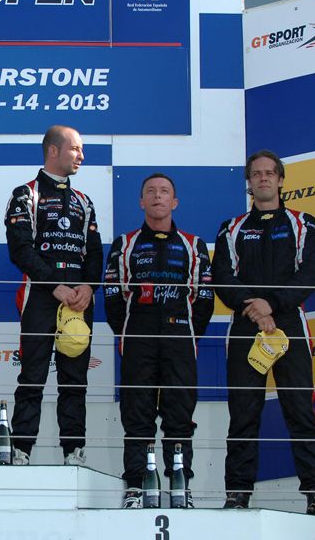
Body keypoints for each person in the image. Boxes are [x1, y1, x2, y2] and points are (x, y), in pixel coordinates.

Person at [212, 150, 315, 514]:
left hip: (289, 323)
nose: (263, 178)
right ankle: (238, 494)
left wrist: (271, 305)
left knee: (300, 410)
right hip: (246, 324)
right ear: (248, 182)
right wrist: (255, 308)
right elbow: (223, 278)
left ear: (280, 180)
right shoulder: (231, 227)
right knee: (244, 413)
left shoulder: (303, 223)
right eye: (256, 173)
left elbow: (309, 275)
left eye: (269, 173)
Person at [103, 173, 214, 508]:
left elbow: (205, 298)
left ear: (174, 202)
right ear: (141, 201)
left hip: (180, 336)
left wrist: (187, 331)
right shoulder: (125, 243)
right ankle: (137, 488)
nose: (157, 196)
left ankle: (180, 488)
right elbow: (113, 296)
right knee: (137, 416)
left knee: (180, 417)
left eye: (164, 192)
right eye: (150, 191)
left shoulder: (194, 244)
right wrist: (129, 333)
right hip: (139, 336)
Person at [4, 125, 102, 466]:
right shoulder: (25, 195)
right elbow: (20, 249)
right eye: (75, 148)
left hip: (78, 299)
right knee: (32, 376)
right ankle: (21, 450)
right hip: (41, 295)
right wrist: (52, 285)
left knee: (75, 379)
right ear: (53, 151)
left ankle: (74, 451)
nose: (81, 156)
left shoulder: (84, 201)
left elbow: (94, 252)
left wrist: (88, 286)